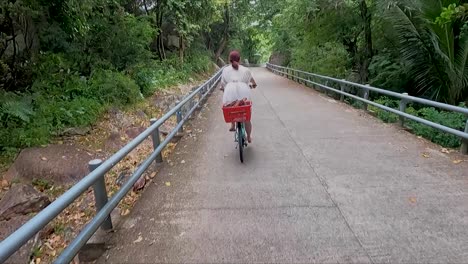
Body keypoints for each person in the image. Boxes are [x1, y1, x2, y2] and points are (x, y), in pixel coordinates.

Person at [220, 50, 257, 143]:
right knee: (246, 117)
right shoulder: (245, 70)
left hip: (229, 91)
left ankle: (232, 124)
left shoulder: (225, 70)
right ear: (239, 60)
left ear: (229, 60)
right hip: (244, 93)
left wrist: (223, 89)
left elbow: (223, 84)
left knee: (230, 104)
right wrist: (254, 85)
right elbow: (252, 80)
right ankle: (248, 137)